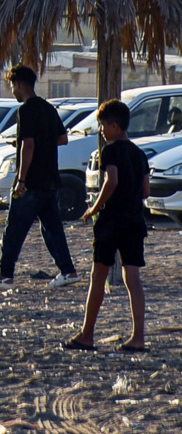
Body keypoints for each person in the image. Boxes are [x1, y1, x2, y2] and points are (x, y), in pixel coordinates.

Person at [0, 64, 79, 290]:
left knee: (14, 229)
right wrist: (42, 142)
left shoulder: (25, 110)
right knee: (53, 229)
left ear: (18, 84)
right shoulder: (47, 107)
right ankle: (68, 270)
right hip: (51, 180)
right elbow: (62, 138)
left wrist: (21, 180)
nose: (12, 91)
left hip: (32, 182)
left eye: (12, 86)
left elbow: (29, 145)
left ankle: (5, 275)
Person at [64, 100, 149, 352]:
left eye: (102, 126)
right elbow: (145, 190)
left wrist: (95, 207)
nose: (101, 131)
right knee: (132, 278)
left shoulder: (110, 151)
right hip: (135, 220)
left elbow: (111, 180)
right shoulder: (139, 153)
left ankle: (87, 334)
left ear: (114, 125)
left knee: (98, 275)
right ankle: (138, 337)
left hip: (112, 221)